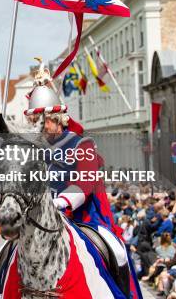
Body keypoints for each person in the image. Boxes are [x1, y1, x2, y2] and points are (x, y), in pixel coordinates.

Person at [24, 59, 133, 297]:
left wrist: (60, 203)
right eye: (38, 120)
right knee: (7, 257)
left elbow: (85, 182)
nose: (43, 125)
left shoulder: (82, 144)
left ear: (59, 118)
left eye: (48, 119)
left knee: (117, 251)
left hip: (81, 218)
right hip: (37, 222)